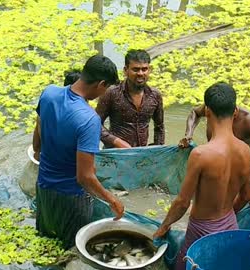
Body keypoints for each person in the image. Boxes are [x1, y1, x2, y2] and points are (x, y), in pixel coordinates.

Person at [153, 82, 250, 269]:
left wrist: (164, 226)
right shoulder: (245, 151)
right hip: (231, 225)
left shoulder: (201, 155)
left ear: (207, 111)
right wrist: (225, 220)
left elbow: (183, 203)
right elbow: (246, 195)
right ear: (236, 111)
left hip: (201, 230)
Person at [32, 55, 124, 249]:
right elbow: (84, 177)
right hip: (71, 197)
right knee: (72, 250)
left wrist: (41, 151)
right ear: (101, 84)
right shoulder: (88, 119)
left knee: (44, 241)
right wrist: (111, 199)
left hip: (43, 186)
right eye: (105, 88)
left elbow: (38, 132)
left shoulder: (48, 93)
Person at [95, 49, 164, 148]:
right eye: (135, 69)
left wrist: (158, 150)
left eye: (144, 69)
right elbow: (95, 124)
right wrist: (116, 141)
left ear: (149, 70)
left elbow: (159, 128)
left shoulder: (155, 95)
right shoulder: (112, 93)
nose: (140, 73)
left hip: (141, 154)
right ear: (125, 70)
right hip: (115, 153)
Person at [179, 105, 250, 175]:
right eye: (213, 118)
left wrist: (238, 174)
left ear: (235, 112)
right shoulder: (212, 108)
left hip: (236, 169)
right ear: (207, 111)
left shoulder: (249, 121)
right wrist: (189, 134)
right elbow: (195, 112)